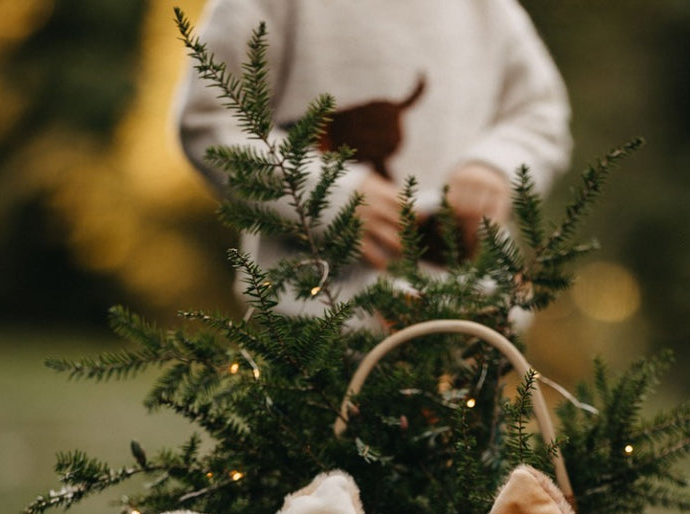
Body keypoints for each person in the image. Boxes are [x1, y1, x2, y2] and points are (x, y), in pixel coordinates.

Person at [175, 0, 572, 314]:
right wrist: (324, 193)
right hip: (313, 328)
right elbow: (211, 120)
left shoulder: (489, 7)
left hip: (469, 317)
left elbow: (540, 113)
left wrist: (494, 166)